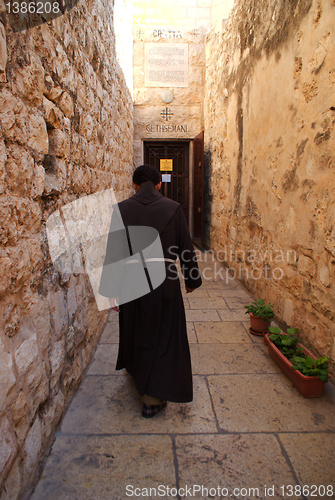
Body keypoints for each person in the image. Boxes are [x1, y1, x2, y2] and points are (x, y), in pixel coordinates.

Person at [99, 165, 202, 418]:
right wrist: (191, 279)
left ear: (134, 185)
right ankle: (153, 397)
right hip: (164, 280)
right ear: (158, 184)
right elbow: (185, 248)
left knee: (137, 329)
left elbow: (115, 252)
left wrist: (112, 289)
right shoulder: (174, 209)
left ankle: (139, 374)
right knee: (164, 334)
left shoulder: (121, 210)